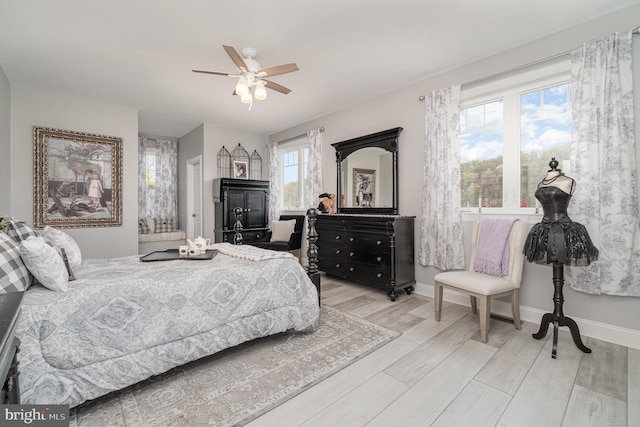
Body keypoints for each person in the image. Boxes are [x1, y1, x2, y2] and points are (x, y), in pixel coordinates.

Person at [523, 158, 598, 266]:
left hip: (565, 229)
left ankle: (560, 283)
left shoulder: (568, 181)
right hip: (544, 229)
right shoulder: (541, 184)